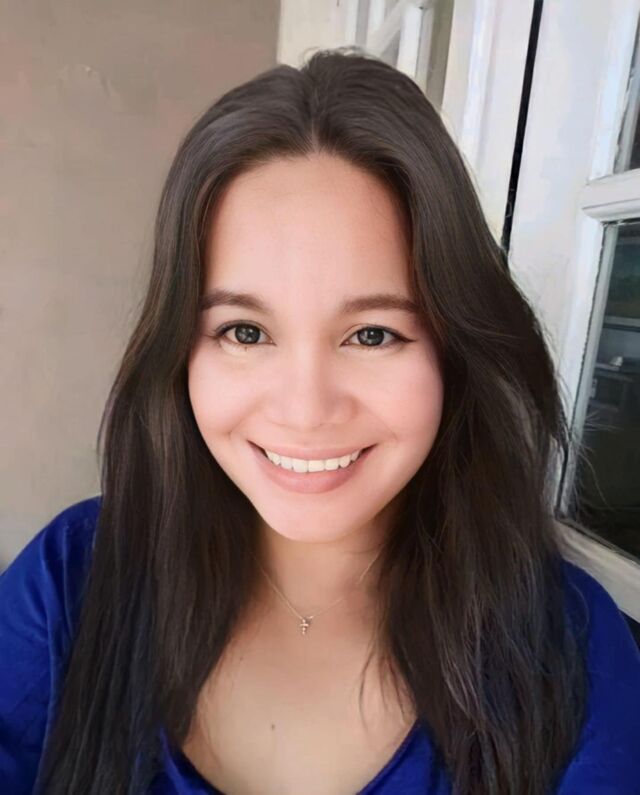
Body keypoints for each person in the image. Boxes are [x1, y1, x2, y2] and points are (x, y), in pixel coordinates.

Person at [1, 47, 639, 795]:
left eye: (372, 334)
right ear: (179, 350)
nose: (305, 410)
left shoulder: (571, 648)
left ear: (453, 352)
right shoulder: (72, 582)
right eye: (245, 332)